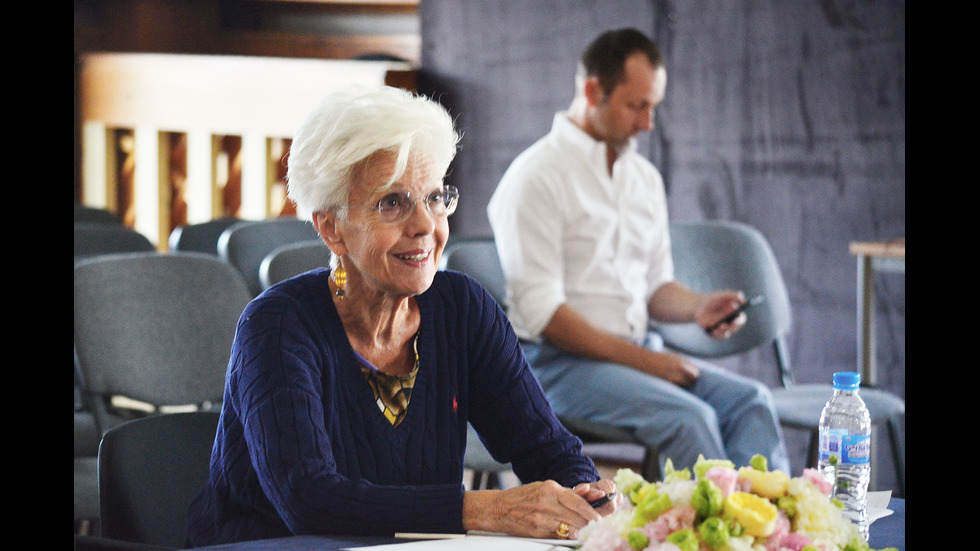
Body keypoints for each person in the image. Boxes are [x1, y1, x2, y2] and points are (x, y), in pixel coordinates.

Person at [185, 86, 616, 546]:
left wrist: (584, 495)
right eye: (392, 203)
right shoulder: (276, 326)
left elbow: (545, 447)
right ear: (331, 227)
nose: (425, 226)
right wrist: (483, 508)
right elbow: (308, 500)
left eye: (434, 198)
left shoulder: (463, 310)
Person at [487, 28, 790, 475]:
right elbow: (546, 315)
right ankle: (711, 541)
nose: (648, 124)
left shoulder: (643, 178)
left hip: (637, 353)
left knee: (752, 402)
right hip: (555, 366)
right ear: (593, 91)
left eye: (653, 106)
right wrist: (651, 363)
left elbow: (655, 287)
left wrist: (699, 307)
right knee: (690, 418)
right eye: (637, 106)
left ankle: (768, 537)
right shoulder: (534, 178)